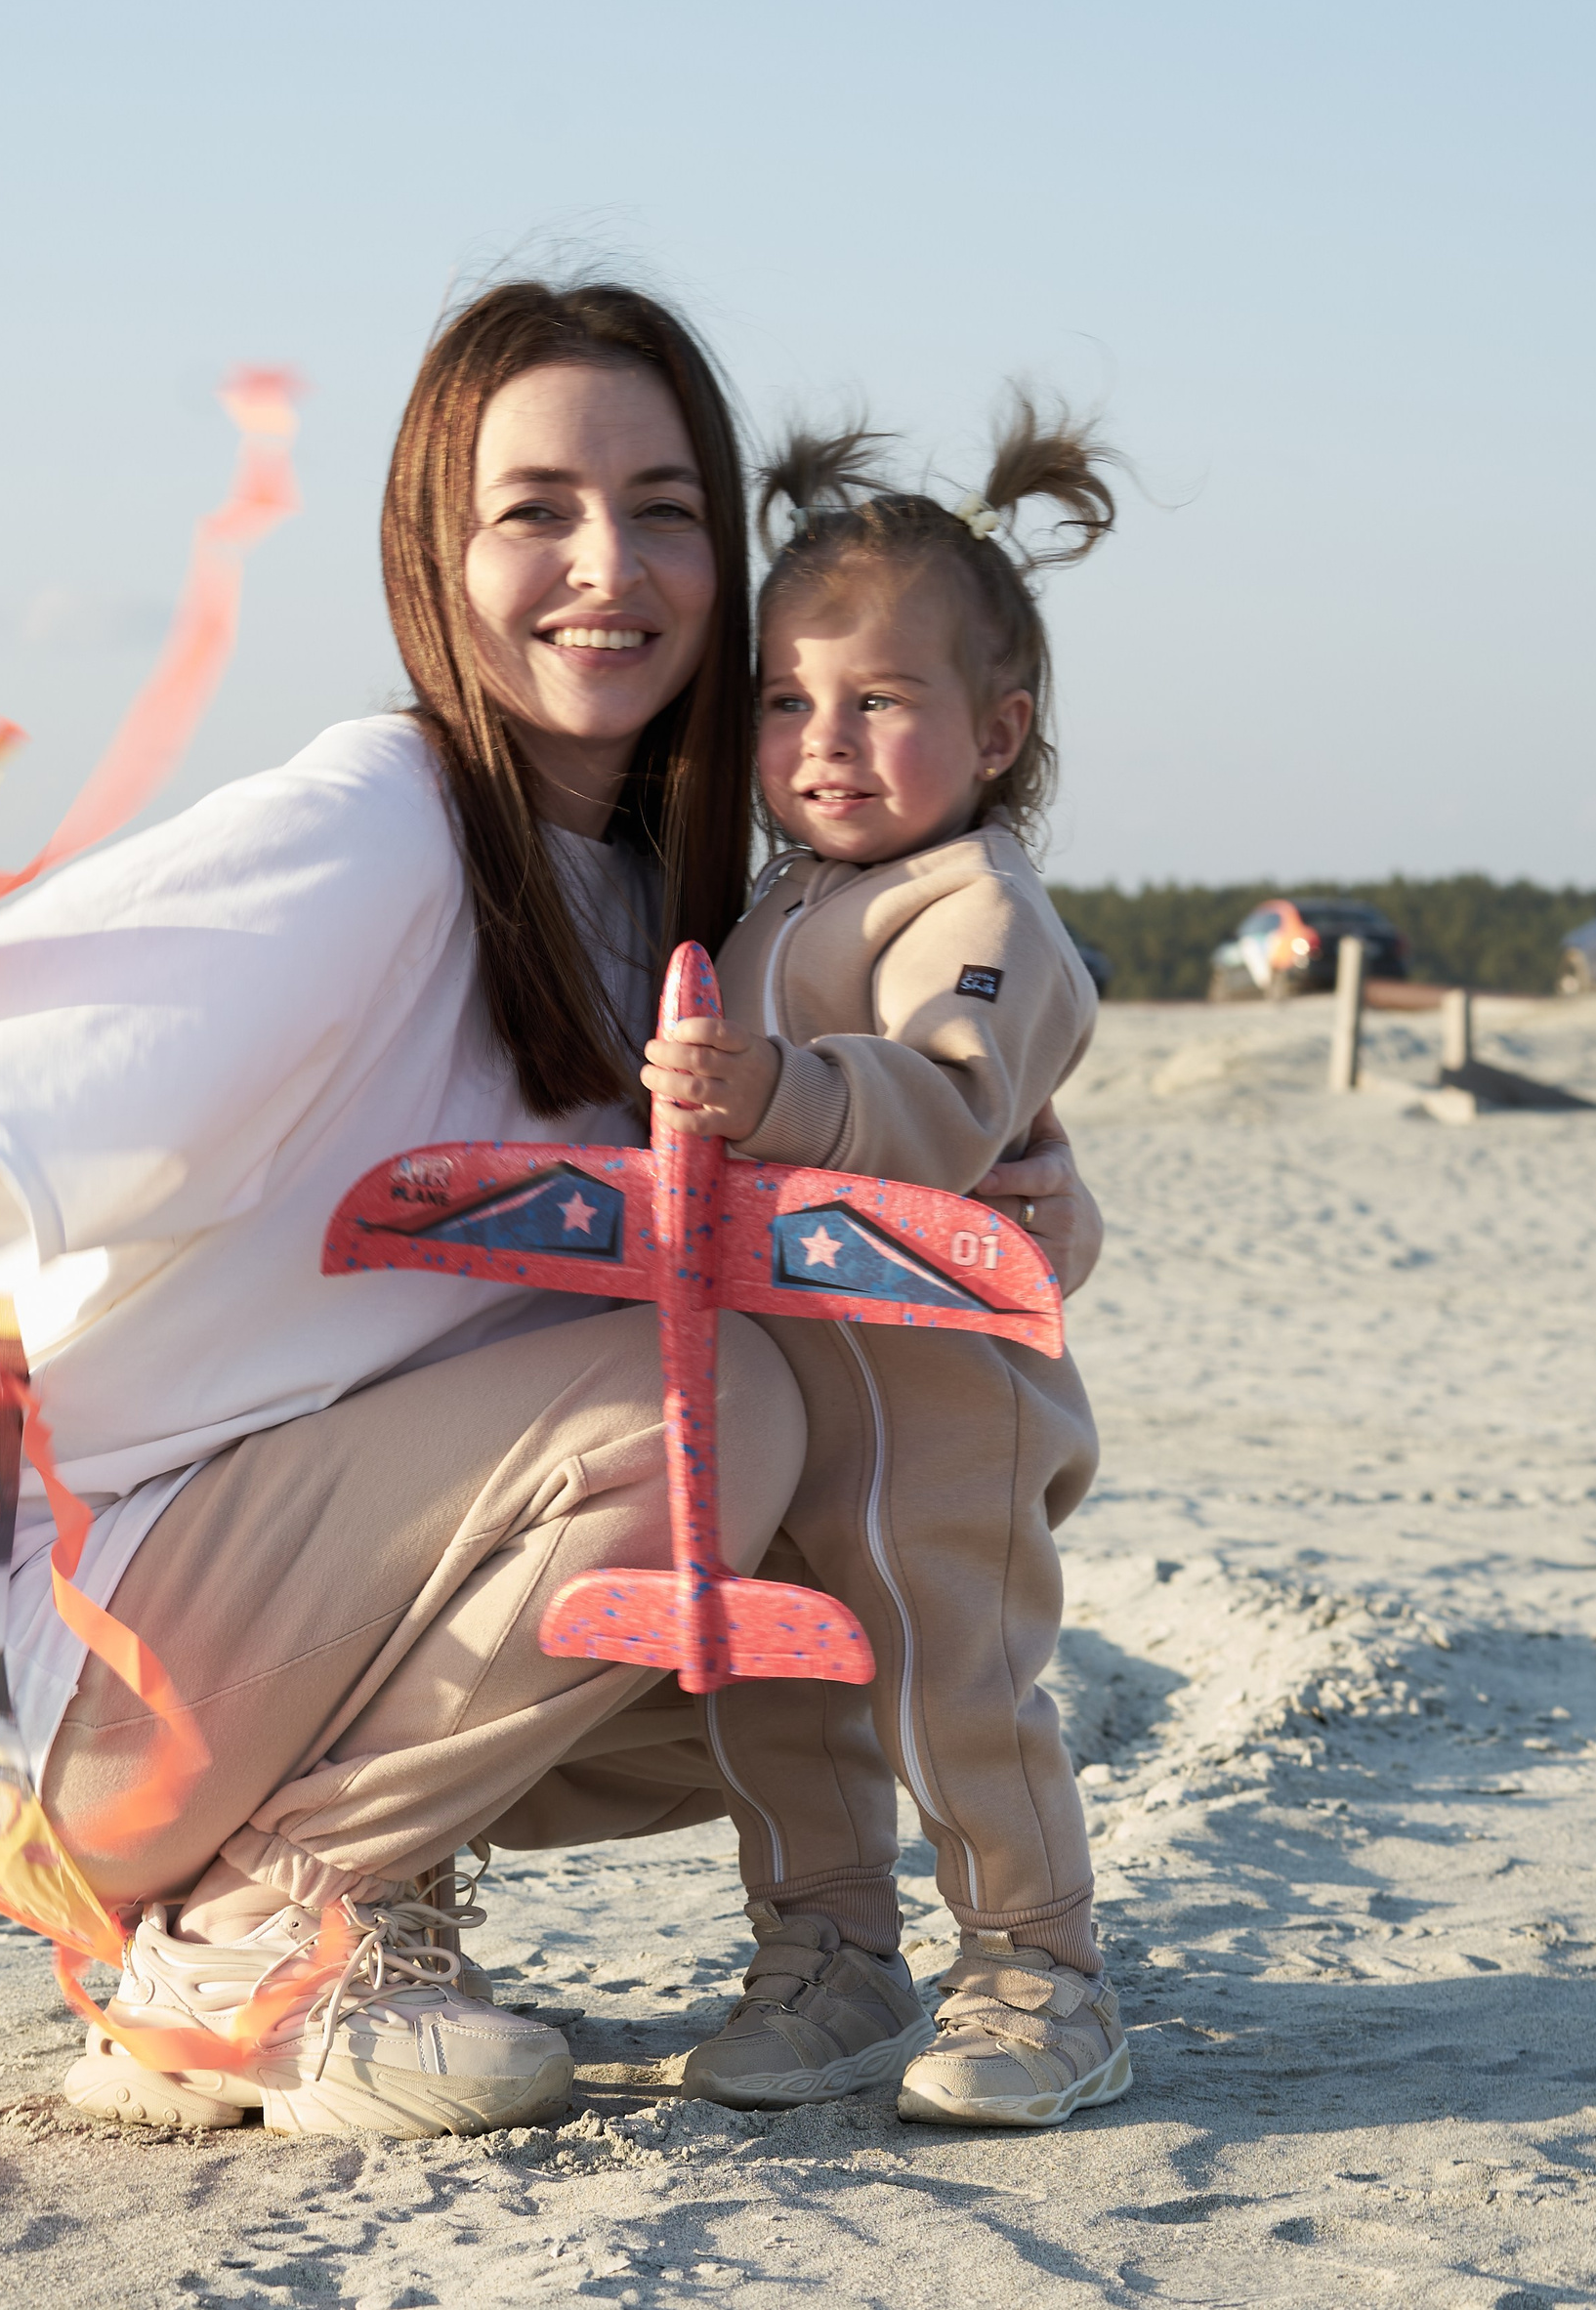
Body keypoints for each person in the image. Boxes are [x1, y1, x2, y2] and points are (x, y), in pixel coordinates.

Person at [0, 281, 1105, 2144]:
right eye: (535, 510)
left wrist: (996, 1189)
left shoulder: (665, 896)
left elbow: (882, 1108)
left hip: (282, 1626)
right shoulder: (378, 824)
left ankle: (426, 1896)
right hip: (99, 1673)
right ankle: (265, 1935)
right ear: (430, 544)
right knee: (721, 1405)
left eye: (665, 507)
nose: (609, 563)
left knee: (826, 1533)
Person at [638, 402, 1126, 2127]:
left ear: (997, 733)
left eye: (879, 702)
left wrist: (779, 1093)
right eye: (786, 701)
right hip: (775, 1389)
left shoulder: (985, 914)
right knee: (780, 1687)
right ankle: (832, 1954)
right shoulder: (776, 902)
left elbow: (945, 1100)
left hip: (943, 1400)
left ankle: (1038, 1970)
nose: (823, 742)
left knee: (955, 1682)